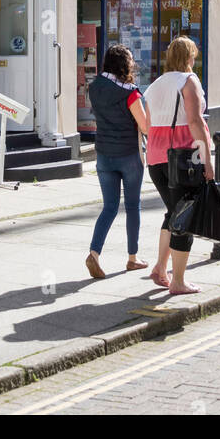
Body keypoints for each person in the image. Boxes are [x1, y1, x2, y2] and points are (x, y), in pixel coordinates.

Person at [143, 35, 215, 296]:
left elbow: (148, 126)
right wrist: (207, 160)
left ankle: (161, 268)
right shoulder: (188, 80)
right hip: (183, 157)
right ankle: (178, 281)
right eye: (193, 55)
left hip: (156, 157)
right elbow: (195, 121)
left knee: (173, 212)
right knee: (186, 218)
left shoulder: (155, 85)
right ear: (188, 57)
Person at [86, 44, 150, 279]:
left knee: (109, 207)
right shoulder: (130, 93)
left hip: (104, 154)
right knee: (132, 206)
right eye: (131, 61)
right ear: (124, 65)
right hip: (129, 155)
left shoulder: (95, 87)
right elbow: (145, 126)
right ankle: (133, 258)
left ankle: (94, 253)